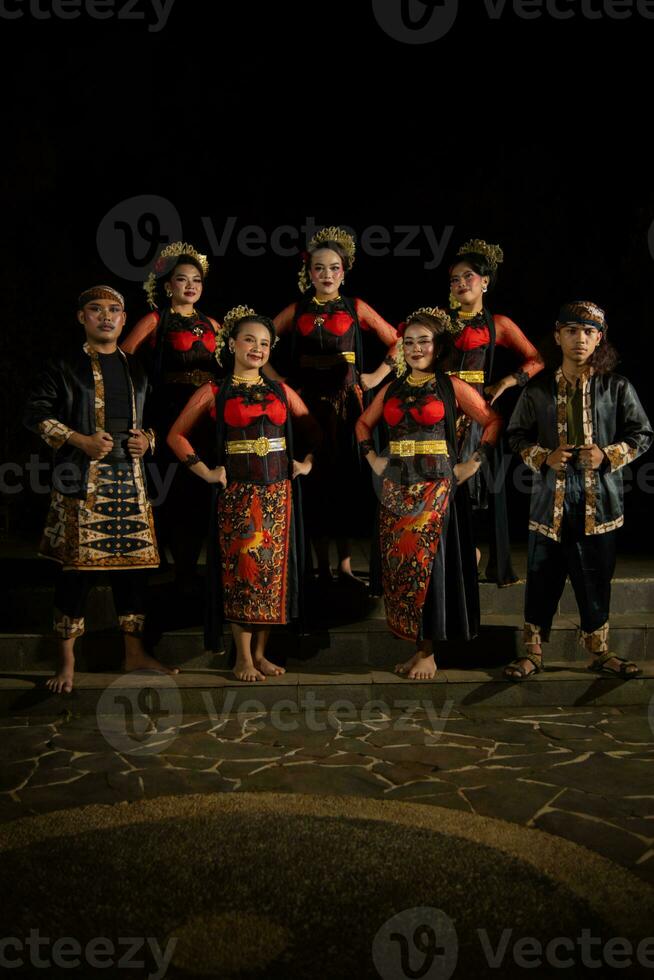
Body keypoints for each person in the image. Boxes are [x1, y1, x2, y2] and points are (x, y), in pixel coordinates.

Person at [23, 285, 178, 694]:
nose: (106, 317)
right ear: (81, 317)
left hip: (131, 483)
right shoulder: (64, 365)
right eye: (96, 309)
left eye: (114, 310)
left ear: (124, 320)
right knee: (75, 574)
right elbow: (35, 413)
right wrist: (79, 439)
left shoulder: (138, 369)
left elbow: (158, 421)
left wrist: (148, 440)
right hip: (81, 484)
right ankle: (67, 662)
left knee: (135, 574)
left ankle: (134, 654)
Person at [167, 306, 318, 682]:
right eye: (249, 339)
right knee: (242, 575)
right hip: (237, 495)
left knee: (271, 576)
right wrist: (205, 472)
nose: (257, 348)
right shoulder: (214, 390)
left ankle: (262, 654)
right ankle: (242, 659)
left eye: (265, 343)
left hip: (279, 495)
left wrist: (307, 462)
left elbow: (314, 431)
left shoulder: (281, 391)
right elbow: (175, 435)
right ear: (231, 343)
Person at [505, 300, 652, 680]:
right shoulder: (537, 389)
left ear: (599, 338)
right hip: (548, 504)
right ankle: (533, 653)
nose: (580, 339)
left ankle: (600, 652)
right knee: (541, 578)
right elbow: (515, 435)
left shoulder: (616, 387)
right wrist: (543, 457)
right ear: (557, 336)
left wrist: (608, 454)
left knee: (595, 578)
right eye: (571, 331)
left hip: (599, 502)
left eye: (588, 332)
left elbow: (642, 433)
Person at [355, 308, 502, 679]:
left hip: (436, 486)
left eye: (424, 341)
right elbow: (362, 423)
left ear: (438, 346)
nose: (416, 347)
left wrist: (473, 462)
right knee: (402, 568)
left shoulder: (451, 386)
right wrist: (372, 457)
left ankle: (429, 652)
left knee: (430, 568)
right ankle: (417, 646)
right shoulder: (391, 388)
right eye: (409, 342)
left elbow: (492, 420)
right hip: (395, 488)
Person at [265, 225, 398, 583]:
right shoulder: (297, 309)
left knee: (345, 482)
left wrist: (374, 377)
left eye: (334, 268)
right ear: (308, 272)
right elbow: (261, 338)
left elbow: (397, 342)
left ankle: (343, 564)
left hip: (348, 407)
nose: (326, 275)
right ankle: (317, 565)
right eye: (319, 268)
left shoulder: (356, 307)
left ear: (345, 270)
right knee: (314, 482)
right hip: (309, 408)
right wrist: (277, 383)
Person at [121, 241, 221, 593]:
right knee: (166, 487)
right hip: (167, 411)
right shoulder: (155, 319)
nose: (190, 286)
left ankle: (188, 569)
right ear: (168, 286)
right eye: (182, 279)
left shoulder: (212, 324)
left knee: (197, 489)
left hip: (205, 416)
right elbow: (123, 358)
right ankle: (154, 564)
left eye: (196, 280)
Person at [443, 239, 544, 585]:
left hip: (481, 411)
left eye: (467, 277)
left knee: (482, 484)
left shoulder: (497, 323)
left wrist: (506, 382)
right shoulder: (440, 322)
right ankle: (454, 551)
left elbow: (537, 358)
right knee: (445, 480)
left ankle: (479, 555)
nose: (460, 284)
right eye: (454, 279)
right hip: (443, 409)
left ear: (485, 281)